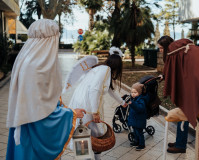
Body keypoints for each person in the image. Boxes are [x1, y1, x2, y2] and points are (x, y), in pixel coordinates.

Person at [6, 19, 86, 160]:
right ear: (49, 40)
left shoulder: (26, 60)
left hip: (24, 128)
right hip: (33, 135)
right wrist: (71, 114)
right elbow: (40, 113)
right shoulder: (36, 68)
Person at [68, 46, 127, 159]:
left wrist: (122, 102)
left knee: (88, 131)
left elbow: (110, 90)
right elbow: (94, 90)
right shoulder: (106, 70)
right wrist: (95, 112)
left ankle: (91, 156)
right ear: (117, 66)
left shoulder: (101, 68)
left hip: (82, 101)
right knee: (86, 131)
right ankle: (86, 157)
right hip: (87, 104)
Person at [125, 82, 149, 151]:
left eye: (135, 92)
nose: (133, 94)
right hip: (134, 119)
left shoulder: (141, 100)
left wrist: (132, 104)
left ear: (139, 93)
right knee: (135, 132)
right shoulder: (134, 98)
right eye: (132, 92)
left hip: (139, 120)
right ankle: (136, 141)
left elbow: (140, 108)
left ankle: (142, 145)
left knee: (139, 133)